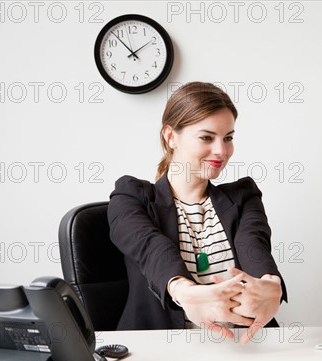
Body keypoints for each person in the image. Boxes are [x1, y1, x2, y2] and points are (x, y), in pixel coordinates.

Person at [107, 82, 287, 344]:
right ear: (171, 136)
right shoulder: (131, 197)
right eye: (206, 137)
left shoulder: (243, 196)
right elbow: (151, 249)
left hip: (244, 349)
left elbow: (253, 244)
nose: (221, 151)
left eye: (228, 138)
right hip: (162, 356)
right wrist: (184, 290)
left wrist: (271, 284)